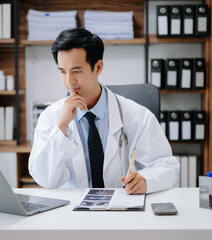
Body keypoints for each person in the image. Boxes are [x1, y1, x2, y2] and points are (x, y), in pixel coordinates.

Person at [28, 28, 179, 194]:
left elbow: (168, 167)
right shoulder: (51, 118)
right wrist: (61, 128)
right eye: (63, 72)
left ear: (98, 67)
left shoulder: (138, 116)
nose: (69, 81)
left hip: (122, 211)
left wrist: (146, 180)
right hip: (72, 214)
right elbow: (44, 180)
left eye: (76, 71)